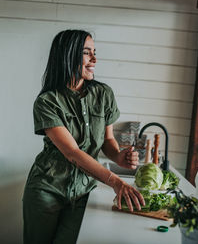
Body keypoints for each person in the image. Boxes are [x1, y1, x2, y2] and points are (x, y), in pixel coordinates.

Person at [23, 29, 145, 244]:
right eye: (87, 53)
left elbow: (107, 140)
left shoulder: (104, 94)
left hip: (84, 192)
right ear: (68, 55)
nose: (95, 59)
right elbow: (72, 152)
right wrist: (115, 182)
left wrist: (118, 156)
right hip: (47, 189)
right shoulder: (47, 101)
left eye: (95, 52)